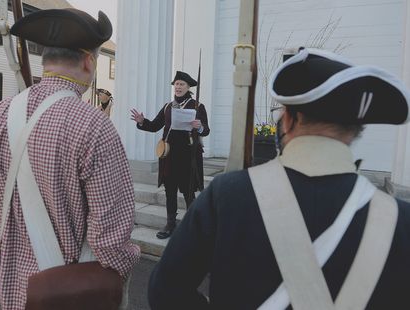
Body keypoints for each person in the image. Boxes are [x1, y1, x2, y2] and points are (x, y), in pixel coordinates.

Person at [148, 48, 410, 309]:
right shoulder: (401, 220)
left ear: (288, 119)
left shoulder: (226, 195)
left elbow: (165, 291)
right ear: (356, 130)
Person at [0, 9, 140, 310]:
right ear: (89, 61)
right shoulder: (94, 125)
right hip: (65, 293)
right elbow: (109, 241)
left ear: (47, 60)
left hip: (6, 288)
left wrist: (9, 231)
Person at [131, 71, 210, 239]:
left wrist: (199, 126)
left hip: (188, 156)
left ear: (188, 87)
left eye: (182, 84)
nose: (178, 87)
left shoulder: (197, 106)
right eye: (176, 84)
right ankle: (170, 223)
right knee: (170, 191)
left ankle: (192, 225)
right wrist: (141, 122)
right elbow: (154, 126)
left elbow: (206, 130)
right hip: (169, 156)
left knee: (188, 192)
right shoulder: (168, 106)